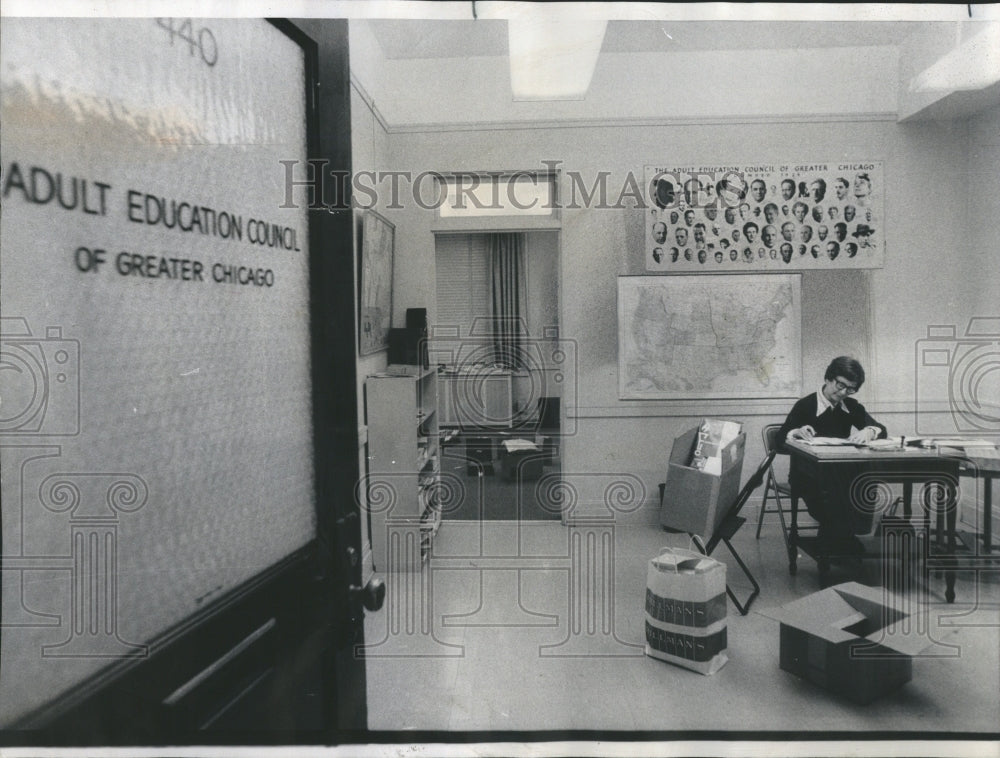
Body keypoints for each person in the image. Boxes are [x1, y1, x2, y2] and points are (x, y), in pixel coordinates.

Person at [778, 356, 887, 553]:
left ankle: (842, 538)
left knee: (861, 480)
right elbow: (777, 442)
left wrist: (869, 431)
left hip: (839, 473)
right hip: (806, 476)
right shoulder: (805, 405)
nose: (843, 392)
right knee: (839, 492)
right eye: (840, 385)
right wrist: (795, 432)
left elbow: (881, 429)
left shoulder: (851, 406)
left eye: (850, 389)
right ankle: (841, 540)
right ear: (828, 378)